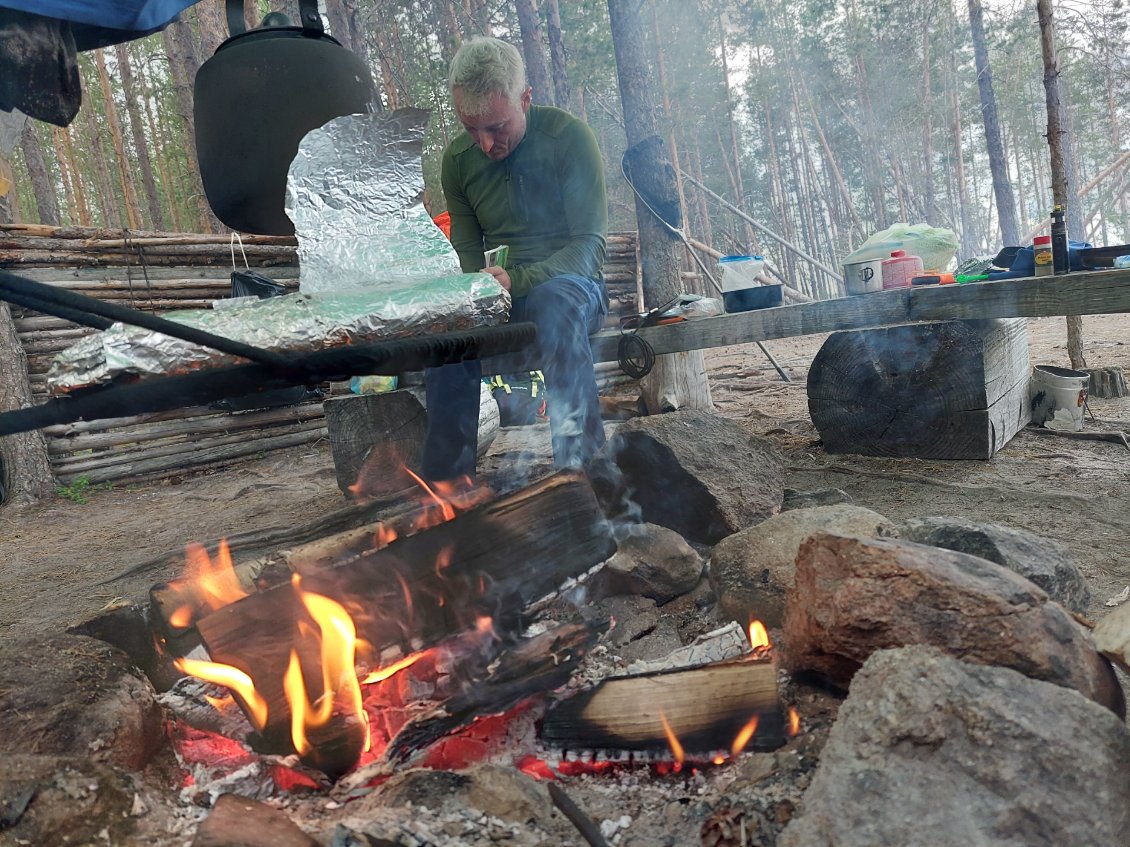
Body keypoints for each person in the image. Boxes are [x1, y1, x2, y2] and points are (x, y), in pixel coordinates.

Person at [421, 36, 608, 482]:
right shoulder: (458, 162)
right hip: (499, 299)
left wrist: (517, 280)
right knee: (446, 333)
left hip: (574, 292)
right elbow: (466, 259)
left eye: (498, 127)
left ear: (525, 99)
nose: (485, 143)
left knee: (553, 301)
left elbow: (589, 247)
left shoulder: (567, 139)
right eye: (472, 128)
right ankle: (447, 493)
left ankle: (581, 473)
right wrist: (479, 289)